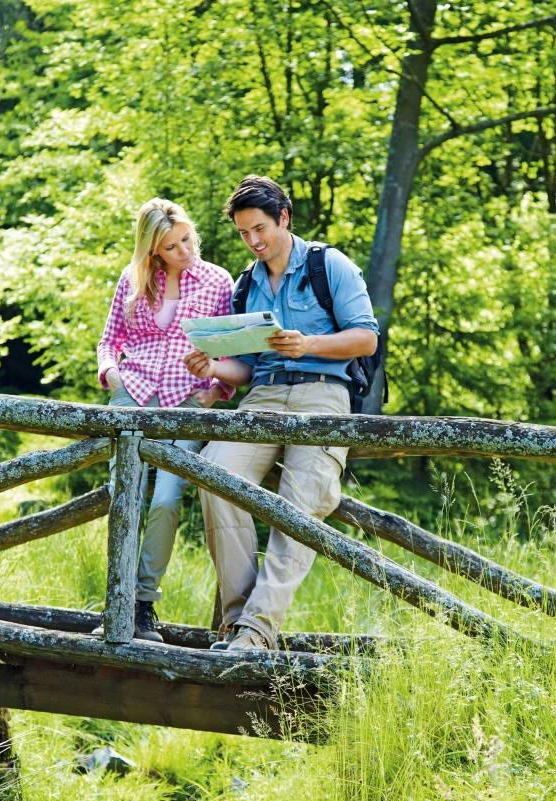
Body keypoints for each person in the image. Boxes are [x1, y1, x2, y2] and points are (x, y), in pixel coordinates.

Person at [184, 176, 378, 652]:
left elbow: (367, 338)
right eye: (243, 233)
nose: (253, 241)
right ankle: (237, 622)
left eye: (260, 229)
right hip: (263, 398)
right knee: (214, 474)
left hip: (324, 396)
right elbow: (247, 368)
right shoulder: (246, 284)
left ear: (284, 218)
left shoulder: (328, 265)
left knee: (301, 503)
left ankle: (257, 630)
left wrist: (308, 344)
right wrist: (213, 367)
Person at [95, 198, 234, 642]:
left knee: (167, 499)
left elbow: (231, 349)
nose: (185, 251)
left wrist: (216, 391)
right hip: (132, 394)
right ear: (153, 249)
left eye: (187, 239)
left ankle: (141, 604)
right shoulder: (132, 278)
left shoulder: (218, 281)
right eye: (172, 247)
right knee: (125, 493)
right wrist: (110, 373)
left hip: (185, 401)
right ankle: (116, 599)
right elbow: (109, 340)